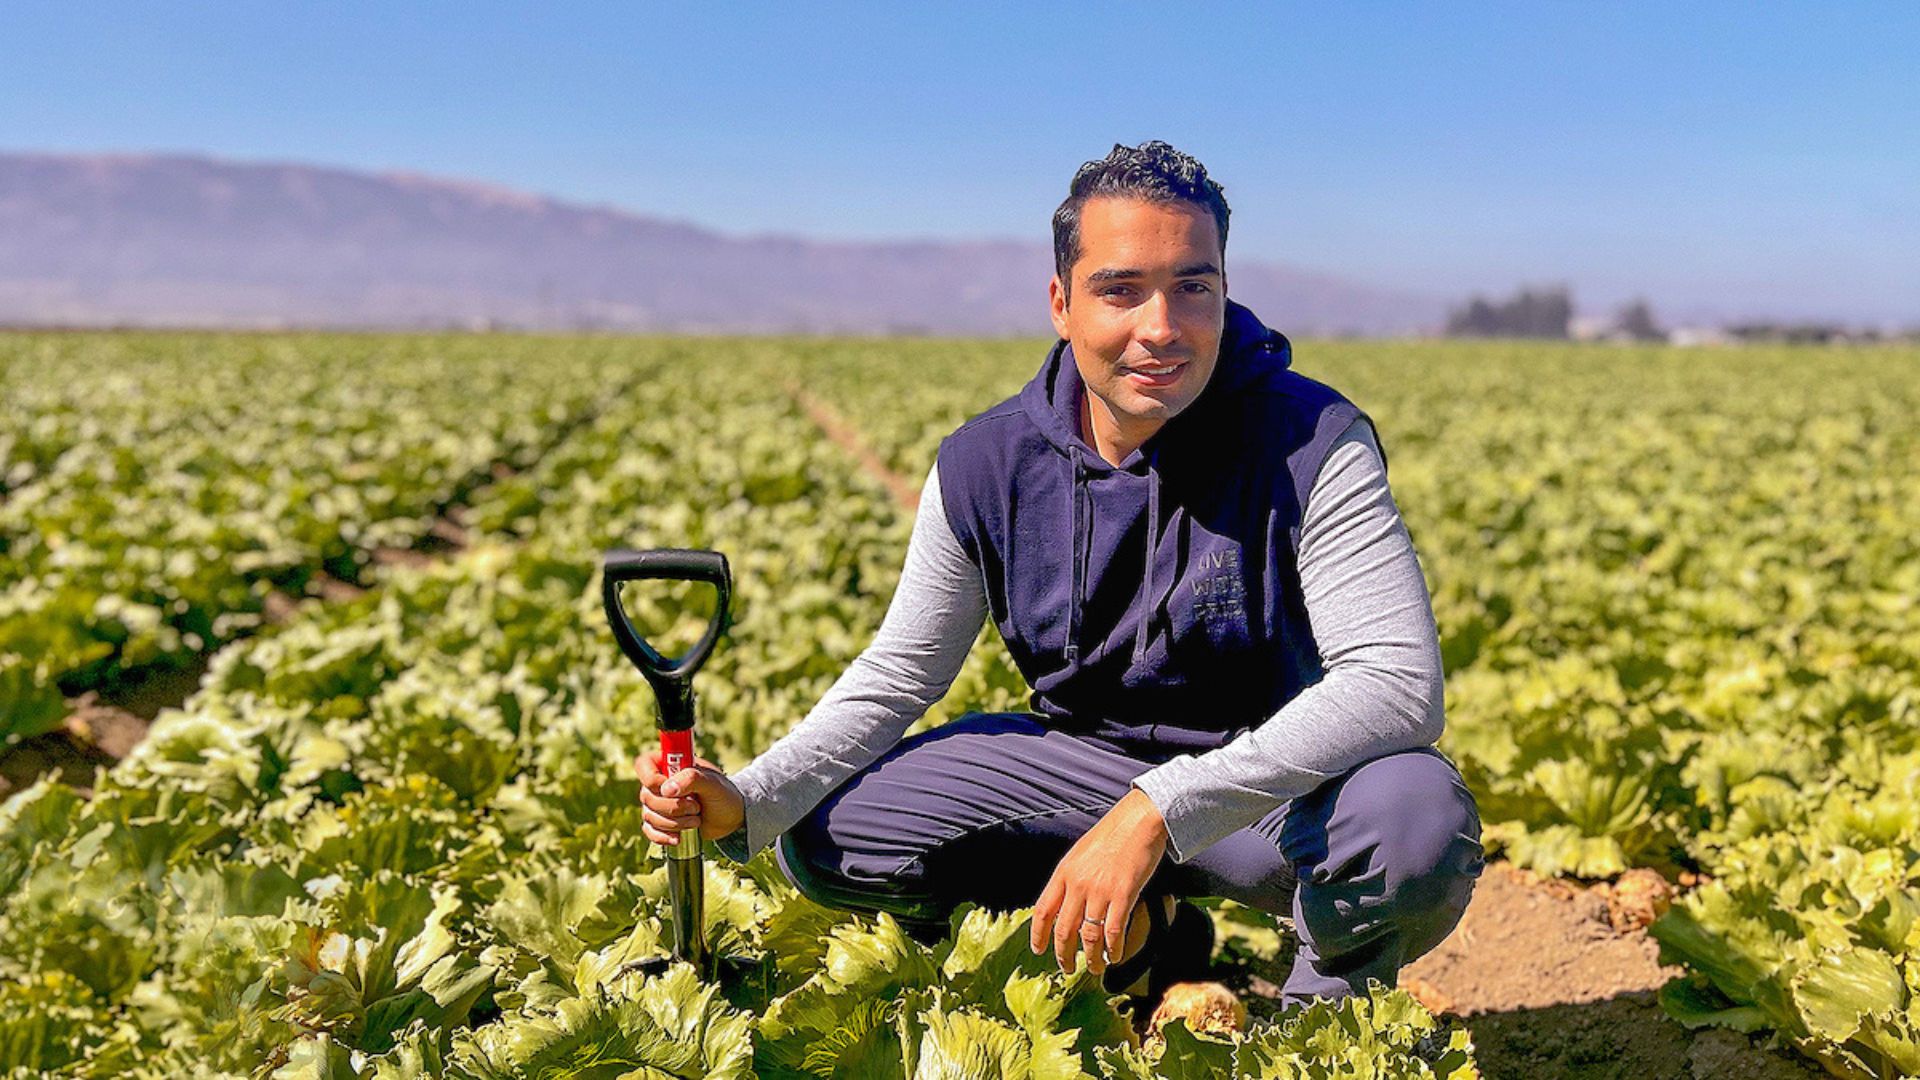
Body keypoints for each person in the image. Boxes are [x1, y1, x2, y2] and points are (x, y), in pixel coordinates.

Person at [636, 140, 1483, 1006]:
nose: (1161, 326)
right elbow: (900, 675)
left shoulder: (1312, 442)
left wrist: (1159, 811)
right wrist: (749, 796)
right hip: (1079, 772)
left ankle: (1314, 1028)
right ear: (1061, 303)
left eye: (1193, 287)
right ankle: (1140, 936)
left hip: (1279, 795)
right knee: (826, 836)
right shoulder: (985, 464)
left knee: (1416, 823)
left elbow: (1396, 684)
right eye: (1121, 290)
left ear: (1225, 292)